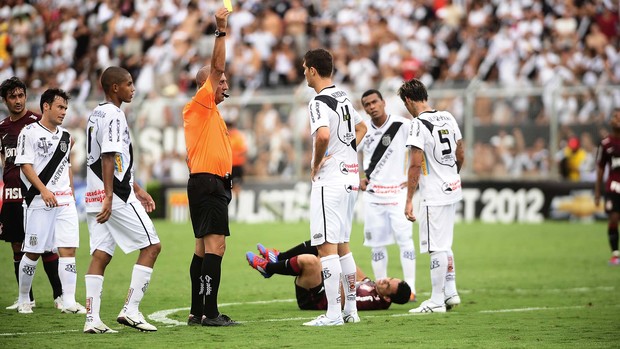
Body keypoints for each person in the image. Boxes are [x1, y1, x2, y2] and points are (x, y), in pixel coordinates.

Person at [83, 66, 161, 334]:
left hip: (96, 194)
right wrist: (110, 196)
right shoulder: (115, 115)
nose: (133, 88)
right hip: (114, 196)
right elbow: (108, 156)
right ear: (115, 87)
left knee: (101, 254)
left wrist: (137, 187)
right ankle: (131, 309)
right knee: (152, 246)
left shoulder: (96, 113)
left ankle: (91, 319)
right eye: (128, 84)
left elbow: (111, 159)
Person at [300, 48, 367, 326]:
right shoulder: (343, 97)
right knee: (343, 247)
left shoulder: (318, 101)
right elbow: (362, 128)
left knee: (326, 249)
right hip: (350, 178)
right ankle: (350, 310)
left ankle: (333, 314)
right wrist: (346, 156)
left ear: (313, 70)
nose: (303, 72)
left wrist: (316, 164)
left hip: (331, 181)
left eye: (305, 68)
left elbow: (324, 135)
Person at [182, 8, 238, 327]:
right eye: (221, 80)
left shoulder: (212, 113)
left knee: (203, 248)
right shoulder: (201, 105)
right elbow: (217, 65)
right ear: (207, 84)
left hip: (210, 184)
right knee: (216, 246)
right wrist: (221, 29)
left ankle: (197, 310)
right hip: (208, 184)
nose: (224, 82)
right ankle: (211, 312)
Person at [14, 88, 85, 314]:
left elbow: (67, 167)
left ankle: (69, 301)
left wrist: (71, 194)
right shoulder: (29, 132)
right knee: (33, 251)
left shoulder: (66, 137)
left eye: (66, 108)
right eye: (60, 107)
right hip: (39, 201)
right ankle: (24, 298)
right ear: (46, 106)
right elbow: (25, 165)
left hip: (64, 201)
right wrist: (44, 190)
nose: (64, 112)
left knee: (68, 249)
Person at [0, 76, 63, 311]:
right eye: (12, 97)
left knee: (45, 245)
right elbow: (5, 159)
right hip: (12, 194)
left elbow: (64, 145)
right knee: (17, 245)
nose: (18, 100)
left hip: (34, 194)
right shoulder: (3, 128)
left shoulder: (38, 122)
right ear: (5, 100)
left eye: (21, 95)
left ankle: (59, 296)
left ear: (26, 96)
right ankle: (26, 297)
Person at [400, 78, 462, 314]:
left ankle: (436, 300)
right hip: (452, 187)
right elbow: (460, 149)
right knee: (445, 242)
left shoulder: (417, 123)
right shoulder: (447, 116)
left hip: (434, 193)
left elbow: (415, 165)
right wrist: (453, 173)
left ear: (407, 100)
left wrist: (408, 199)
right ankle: (451, 291)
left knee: (435, 246)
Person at [358, 89, 417, 301]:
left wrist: (415, 179)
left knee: (405, 241)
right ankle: (381, 291)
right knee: (376, 244)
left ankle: (410, 290)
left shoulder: (402, 125)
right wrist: (359, 176)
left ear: (383, 102)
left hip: (397, 194)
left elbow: (421, 150)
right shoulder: (363, 129)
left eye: (375, 102)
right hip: (373, 196)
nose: (372, 106)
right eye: (367, 104)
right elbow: (351, 151)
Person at [245, 241, 411, 310]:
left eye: (387, 285)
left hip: (316, 300)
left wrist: (328, 267)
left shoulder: (370, 300)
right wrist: (337, 252)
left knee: (311, 261)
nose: (384, 280)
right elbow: (353, 269)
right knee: (326, 242)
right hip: (322, 286)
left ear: (388, 299)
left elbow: (345, 301)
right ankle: (279, 258)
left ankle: (268, 267)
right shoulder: (374, 287)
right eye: (389, 278)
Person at [594, 108, 620, 266]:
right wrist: (597, 192)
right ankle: (615, 254)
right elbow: (600, 168)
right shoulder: (605, 144)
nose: (616, 119)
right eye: (614, 117)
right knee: (614, 218)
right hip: (613, 187)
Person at [227, 119, 247, 200]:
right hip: (228, 166)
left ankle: (237, 207)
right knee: (229, 188)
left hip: (235, 166)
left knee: (236, 187)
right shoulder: (227, 136)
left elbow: (243, 151)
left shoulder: (237, 136)